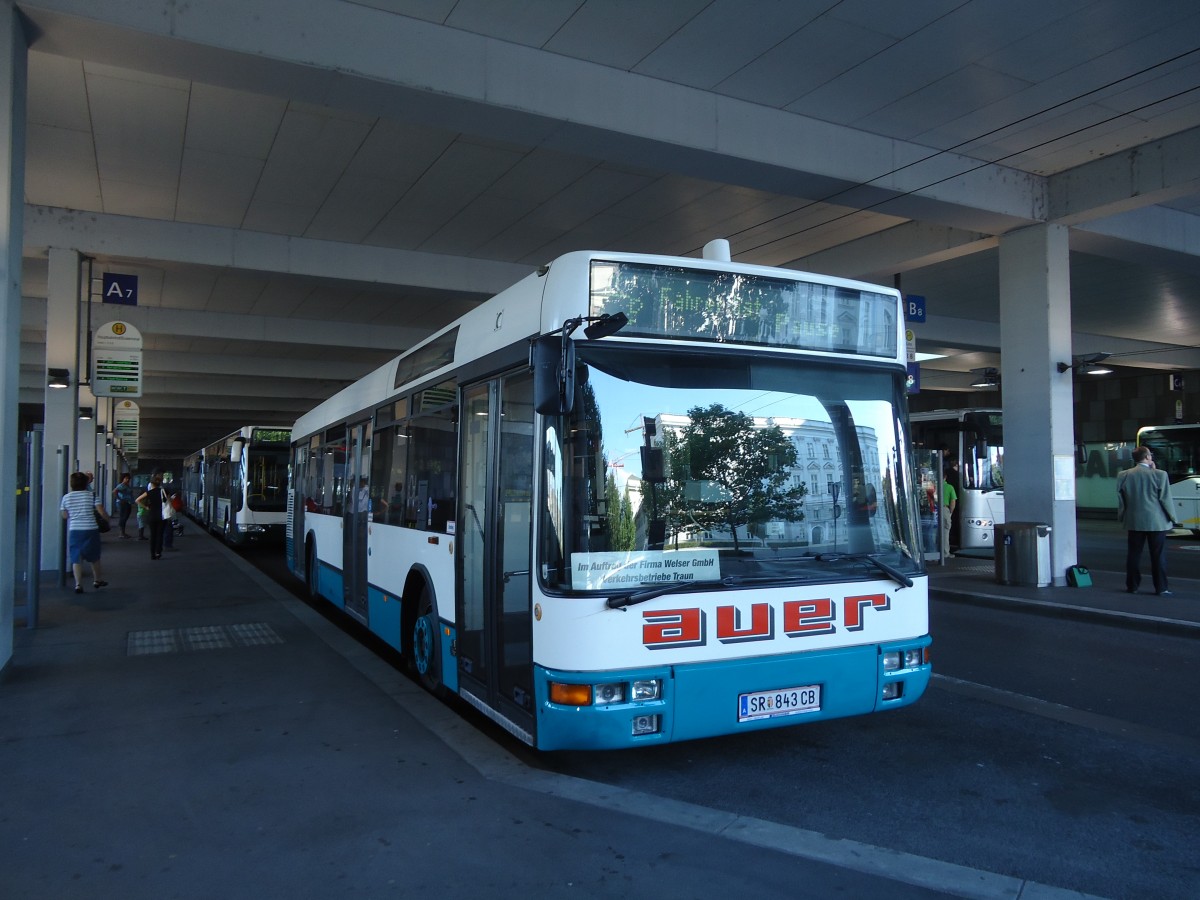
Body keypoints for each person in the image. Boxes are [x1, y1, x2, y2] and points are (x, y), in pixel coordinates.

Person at [1116, 446, 1177, 595]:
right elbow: (1165, 499)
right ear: (1148, 457)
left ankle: (1132, 586)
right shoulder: (1160, 475)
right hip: (1156, 522)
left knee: (1133, 555)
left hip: (1134, 520)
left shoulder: (1123, 475)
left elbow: (1121, 500)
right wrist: (1173, 518)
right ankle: (1161, 588)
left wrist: (1122, 516)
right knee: (1158, 556)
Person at [60, 470, 109, 593]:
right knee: (94, 556)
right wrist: (107, 519)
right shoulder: (92, 495)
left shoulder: (66, 497)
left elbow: (65, 516)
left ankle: (78, 584)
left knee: (76, 557)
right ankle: (97, 580)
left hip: (75, 530)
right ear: (85, 482)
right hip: (91, 529)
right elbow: (101, 512)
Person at [135, 470, 169, 560]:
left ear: (152, 484)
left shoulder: (149, 493)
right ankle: (158, 552)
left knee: (153, 535)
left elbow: (137, 500)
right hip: (162, 516)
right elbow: (168, 502)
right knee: (160, 535)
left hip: (152, 516)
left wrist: (146, 507)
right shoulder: (163, 492)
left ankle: (152, 554)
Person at [941, 462, 958, 559]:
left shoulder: (933, 487)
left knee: (935, 533)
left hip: (934, 510)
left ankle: (935, 553)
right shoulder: (949, 487)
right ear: (945, 477)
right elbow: (953, 502)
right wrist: (950, 512)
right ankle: (945, 553)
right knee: (945, 532)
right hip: (945, 509)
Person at [113, 473, 134, 538]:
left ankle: (123, 532)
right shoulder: (121, 485)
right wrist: (120, 499)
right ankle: (121, 533)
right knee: (123, 517)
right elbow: (114, 491)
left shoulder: (126, 485)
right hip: (123, 503)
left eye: (128, 478)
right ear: (123, 479)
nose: (127, 480)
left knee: (125, 517)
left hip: (127, 502)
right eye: (126, 478)